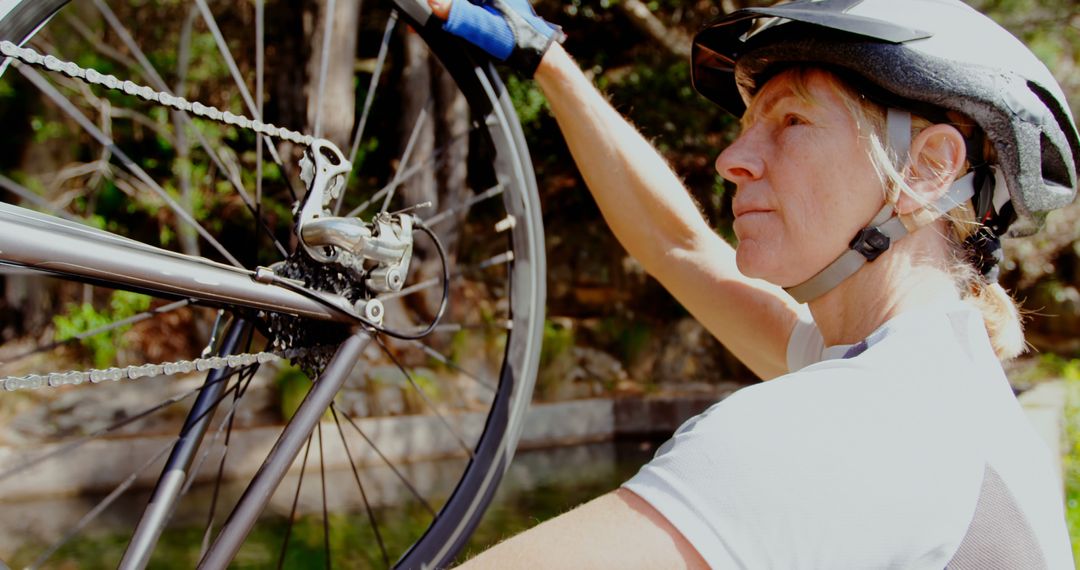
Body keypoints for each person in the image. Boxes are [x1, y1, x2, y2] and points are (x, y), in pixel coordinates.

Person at [430, 0, 1079, 567]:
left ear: (928, 168)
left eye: (792, 121)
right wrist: (549, 61)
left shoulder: (861, 431)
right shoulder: (935, 383)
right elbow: (680, 249)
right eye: (747, 127)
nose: (731, 161)